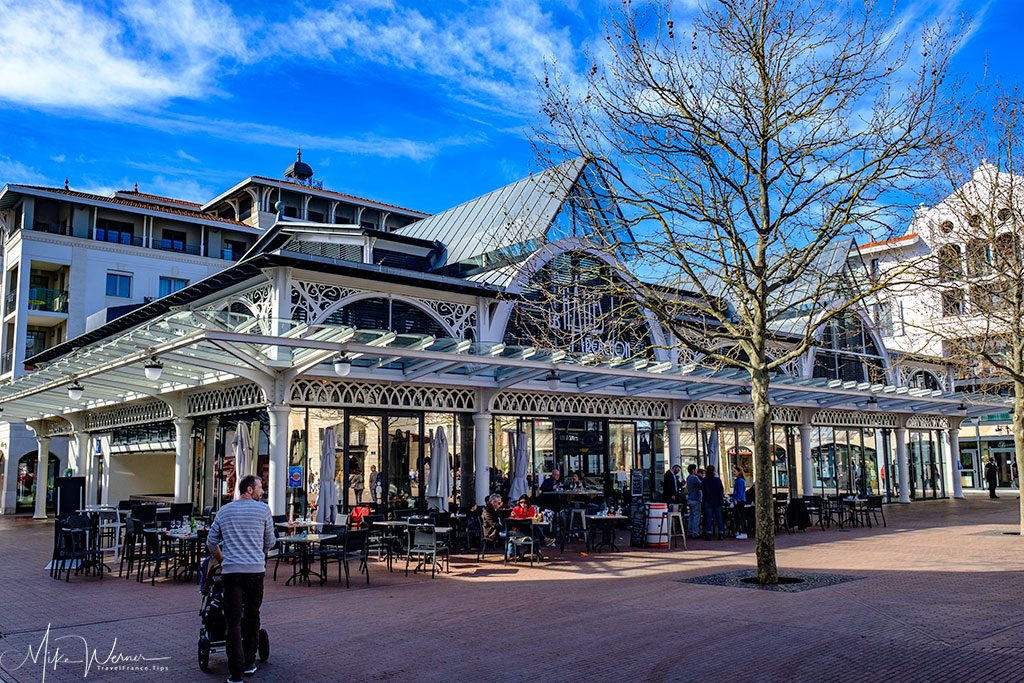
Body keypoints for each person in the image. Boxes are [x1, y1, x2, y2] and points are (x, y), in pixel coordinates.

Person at [206, 474, 276, 683]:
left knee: (233, 621)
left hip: (231, 572)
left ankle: (234, 673)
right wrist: (258, 552)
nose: (262, 491)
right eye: (260, 487)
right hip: (255, 571)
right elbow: (270, 542)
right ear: (249, 490)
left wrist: (222, 559)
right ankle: (249, 663)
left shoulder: (224, 511)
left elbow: (211, 542)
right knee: (252, 616)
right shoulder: (263, 510)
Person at [702, 465, 725, 540]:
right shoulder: (718, 480)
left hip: (708, 500)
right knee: (719, 517)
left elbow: (703, 489)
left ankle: (708, 533)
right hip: (717, 500)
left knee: (708, 517)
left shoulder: (705, 480)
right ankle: (721, 533)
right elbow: (721, 490)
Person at [685, 464, 702, 538]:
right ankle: (695, 533)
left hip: (690, 499)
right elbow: (701, 485)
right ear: (693, 470)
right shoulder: (694, 478)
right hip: (695, 499)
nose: (696, 471)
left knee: (691, 516)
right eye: (695, 469)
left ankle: (690, 531)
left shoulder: (688, 478)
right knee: (696, 516)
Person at [732, 466, 748, 539]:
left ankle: (743, 532)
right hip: (739, 500)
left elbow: (740, 492)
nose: (733, 473)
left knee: (740, 516)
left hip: (739, 501)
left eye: (735, 471)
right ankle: (739, 531)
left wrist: (737, 499)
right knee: (738, 517)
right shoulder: (739, 480)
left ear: (739, 472)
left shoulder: (740, 481)